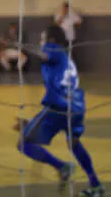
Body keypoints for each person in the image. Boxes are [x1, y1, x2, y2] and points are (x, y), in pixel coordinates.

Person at [16, 25, 103, 197]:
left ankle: (62, 166)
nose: (41, 43)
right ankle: (96, 186)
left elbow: (44, 54)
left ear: (51, 40)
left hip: (59, 107)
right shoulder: (66, 57)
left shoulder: (53, 48)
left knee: (23, 143)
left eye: (42, 38)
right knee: (74, 144)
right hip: (77, 106)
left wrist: (21, 46)